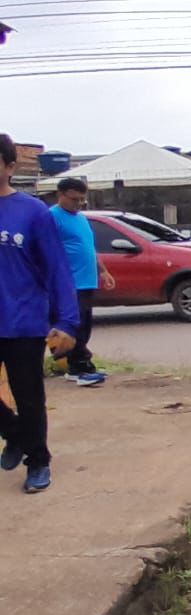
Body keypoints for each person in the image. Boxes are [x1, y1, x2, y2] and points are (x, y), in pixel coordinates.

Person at [0, 133, 80, 494]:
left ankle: (38, 461)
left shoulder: (31, 212)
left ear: (10, 167)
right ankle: (16, 434)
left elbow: (57, 271)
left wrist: (66, 322)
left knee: (28, 395)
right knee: (21, 410)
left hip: (23, 321)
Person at [48, 178, 114, 387]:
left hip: (86, 281)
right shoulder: (52, 217)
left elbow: (88, 247)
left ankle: (82, 365)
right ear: (60, 195)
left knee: (85, 326)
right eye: (74, 199)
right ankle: (75, 367)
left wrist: (103, 270)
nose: (78, 204)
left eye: (82, 201)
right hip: (68, 283)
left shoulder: (81, 219)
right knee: (72, 326)